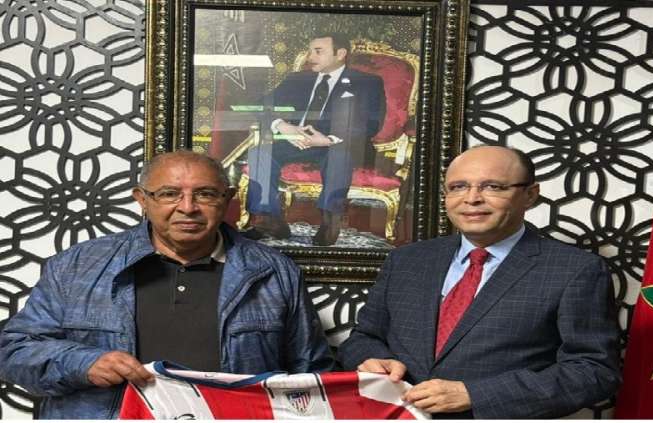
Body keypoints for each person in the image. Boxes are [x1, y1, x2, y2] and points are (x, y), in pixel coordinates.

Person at [0, 151, 334, 419]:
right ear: (142, 199)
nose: (187, 208)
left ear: (228, 198)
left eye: (205, 194)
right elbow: (13, 352)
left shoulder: (275, 271)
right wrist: (83, 363)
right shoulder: (77, 265)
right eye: (169, 194)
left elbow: (312, 376)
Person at [337, 146, 621, 419]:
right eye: (458, 187)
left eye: (493, 187)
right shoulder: (406, 260)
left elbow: (593, 372)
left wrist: (475, 395)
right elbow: (364, 338)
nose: (472, 198)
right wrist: (372, 359)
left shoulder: (576, 270)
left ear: (530, 195)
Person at [246, 32, 386, 246]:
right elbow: (259, 105)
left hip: (339, 144)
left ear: (340, 53)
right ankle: (269, 219)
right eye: (310, 51)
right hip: (296, 142)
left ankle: (330, 220)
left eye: (318, 51)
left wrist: (329, 139)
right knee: (259, 153)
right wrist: (282, 125)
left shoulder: (366, 83)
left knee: (338, 157)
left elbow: (371, 124)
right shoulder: (297, 80)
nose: (310, 57)